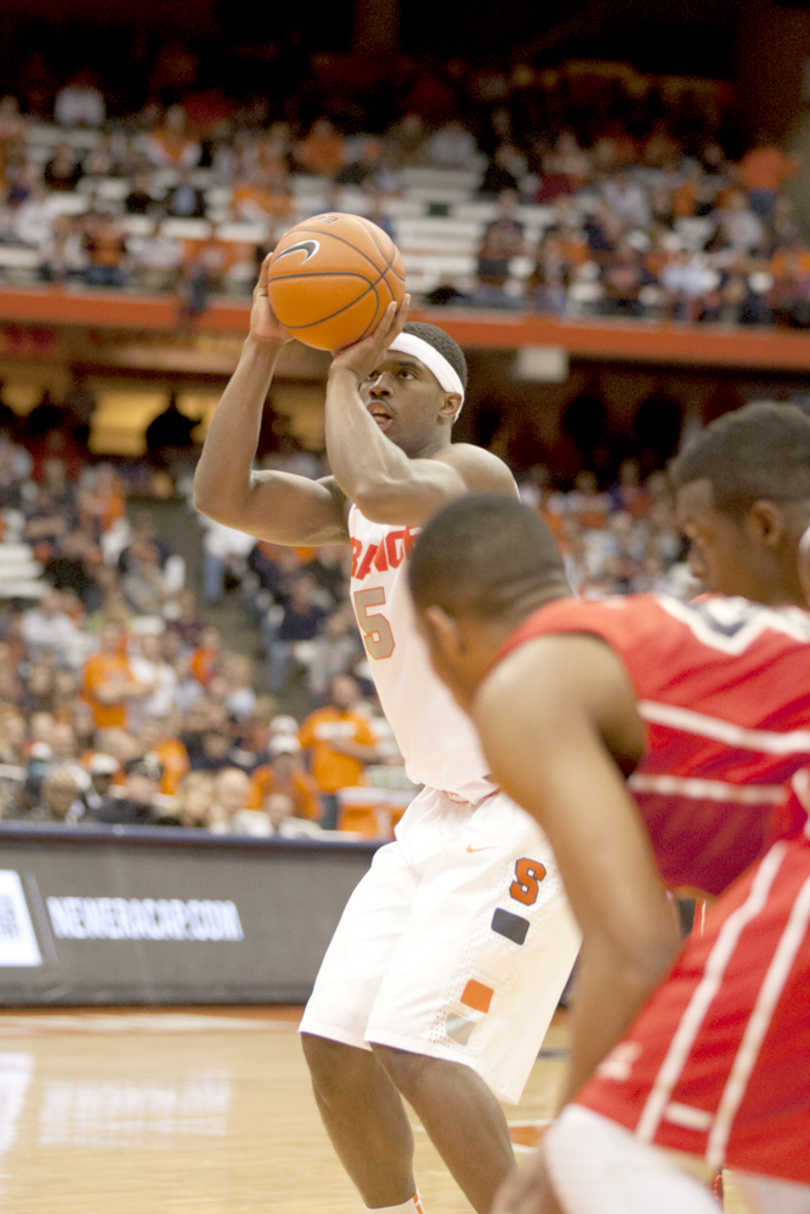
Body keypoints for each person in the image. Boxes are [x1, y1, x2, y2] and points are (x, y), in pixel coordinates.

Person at [192, 260, 581, 1214]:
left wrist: (336, 364)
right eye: (371, 370)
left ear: (448, 398)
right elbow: (222, 497)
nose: (376, 379)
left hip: (529, 800)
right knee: (335, 1041)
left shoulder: (474, 474)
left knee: (418, 1041)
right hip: (441, 809)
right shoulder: (351, 502)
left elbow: (381, 477)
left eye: (398, 371)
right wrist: (262, 345)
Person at [407, 402, 810, 1214]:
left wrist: (560, 1160)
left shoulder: (523, 690)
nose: (696, 571)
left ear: (444, 634)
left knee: (597, 1149)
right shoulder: (682, 642)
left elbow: (632, 948)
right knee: (773, 1153)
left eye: (699, 541)